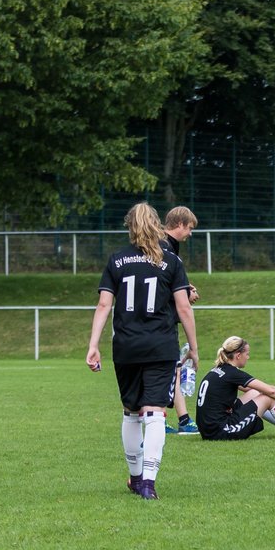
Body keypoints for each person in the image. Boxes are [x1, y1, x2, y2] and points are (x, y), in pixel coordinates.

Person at [86, 202, 200, 500]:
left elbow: (103, 305)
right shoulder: (171, 261)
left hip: (126, 347)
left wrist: (93, 345)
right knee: (155, 413)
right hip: (161, 346)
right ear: (155, 224)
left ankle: (136, 479)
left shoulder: (117, 260)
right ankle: (148, 482)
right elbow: (184, 307)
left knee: (131, 412)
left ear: (130, 226)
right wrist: (195, 348)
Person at [162, 206, 201, 435]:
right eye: (189, 228)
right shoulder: (164, 248)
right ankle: (165, 418)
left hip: (162, 320)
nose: (190, 233)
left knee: (172, 370)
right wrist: (185, 295)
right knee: (166, 370)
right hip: (160, 322)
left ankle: (181, 419)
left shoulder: (168, 248)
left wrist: (186, 287)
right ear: (179, 224)